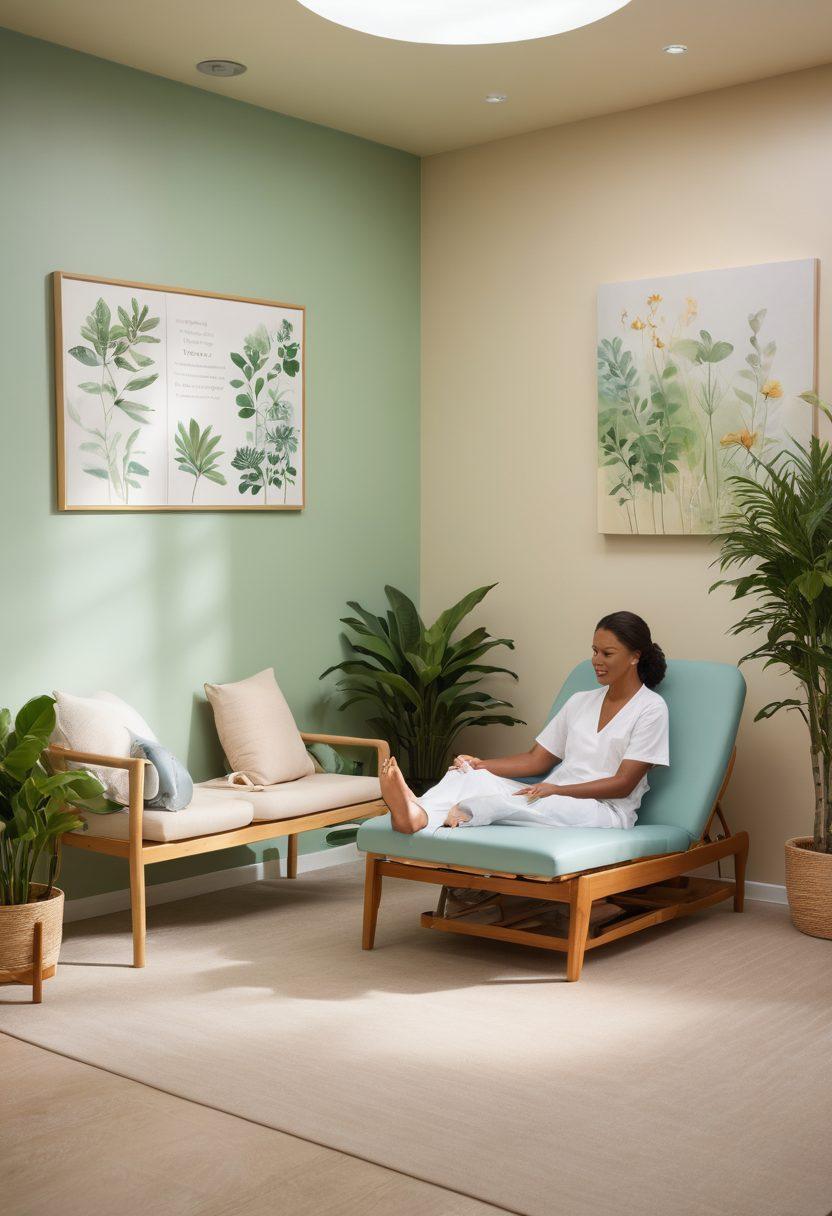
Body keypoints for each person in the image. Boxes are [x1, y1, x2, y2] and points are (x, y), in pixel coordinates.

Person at [379, 611, 669, 835]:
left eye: (607, 653)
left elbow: (624, 783)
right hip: (547, 794)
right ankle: (416, 813)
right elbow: (536, 761)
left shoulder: (650, 709)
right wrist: (480, 764)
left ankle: (461, 811)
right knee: (468, 776)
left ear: (635, 657)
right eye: (594, 651)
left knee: (523, 802)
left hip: (603, 810)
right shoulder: (581, 701)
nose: (596, 660)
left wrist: (557, 790)